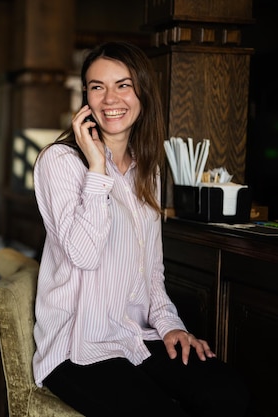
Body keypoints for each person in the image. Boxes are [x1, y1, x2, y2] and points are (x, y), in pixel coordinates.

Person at [32, 41, 249, 417]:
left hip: (133, 337)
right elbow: (84, 255)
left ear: (142, 92)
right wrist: (98, 166)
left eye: (123, 84)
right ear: (85, 97)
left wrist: (170, 326)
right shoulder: (61, 162)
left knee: (230, 393)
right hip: (77, 349)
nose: (109, 98)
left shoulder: (148, 172)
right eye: (97, 86)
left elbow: (151, 275)